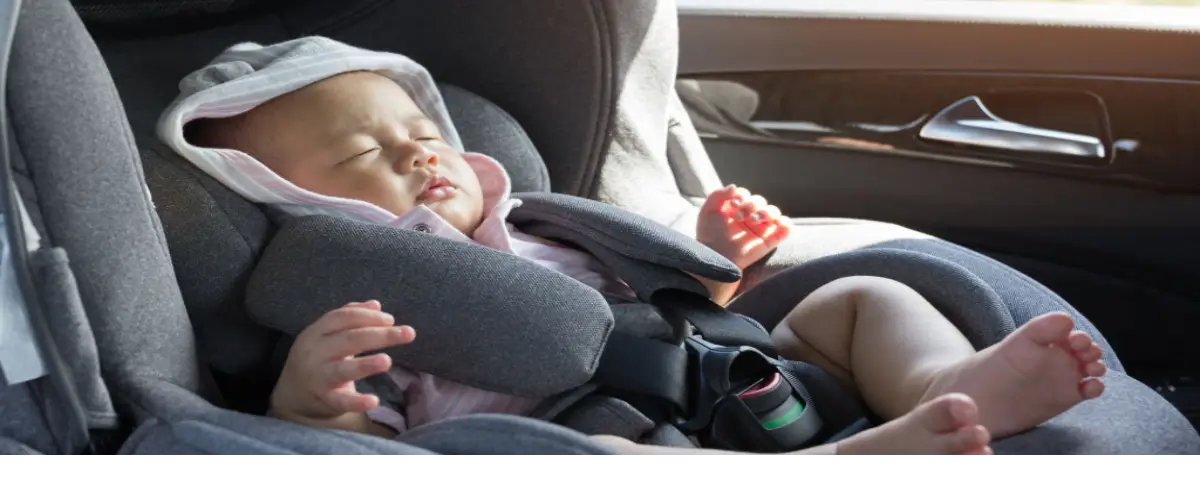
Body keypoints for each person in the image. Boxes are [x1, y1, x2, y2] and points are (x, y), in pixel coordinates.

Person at [159, 36, 1107, 456]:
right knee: (608, 472)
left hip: (723, 375)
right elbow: (374, 449)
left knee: (858, 299)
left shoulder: (542, 223)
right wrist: (315, 406)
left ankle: (949, 382)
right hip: (598, 436)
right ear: (287, 195)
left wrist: (719, 257)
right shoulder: (354, 310)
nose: (417, 151)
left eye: (421, 130)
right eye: (366, 152)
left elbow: (673, 315)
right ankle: (856, 467)